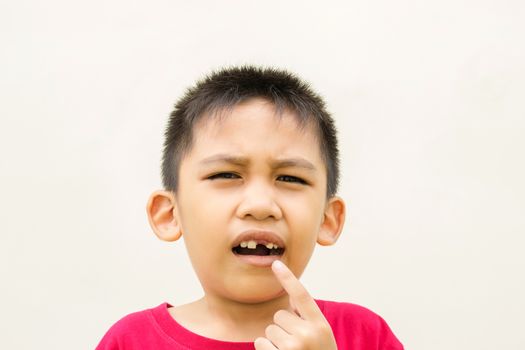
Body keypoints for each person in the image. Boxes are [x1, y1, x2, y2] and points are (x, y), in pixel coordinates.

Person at [96, 65, 404, 349]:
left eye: (290, 178)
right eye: (226, 175)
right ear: (169, 214)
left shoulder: (364, 335)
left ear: (328, 219)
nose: (260, 206)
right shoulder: (130, 341)